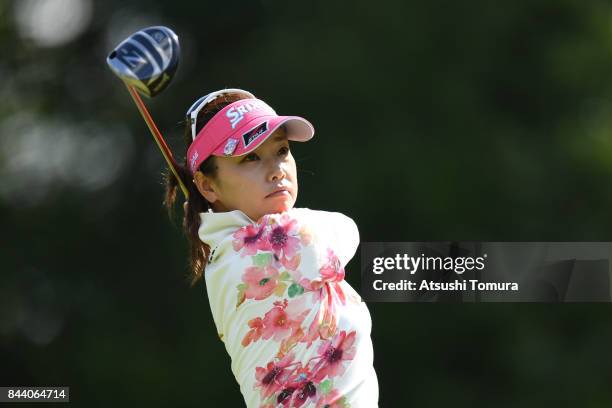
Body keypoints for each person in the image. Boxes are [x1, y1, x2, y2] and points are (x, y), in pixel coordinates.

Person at [164, 88, 379, 407]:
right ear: (207, 185)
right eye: (249, 157)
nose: (277, 169)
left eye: (281, 151)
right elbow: (348, 229)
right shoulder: (283, 242)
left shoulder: (221, 256)